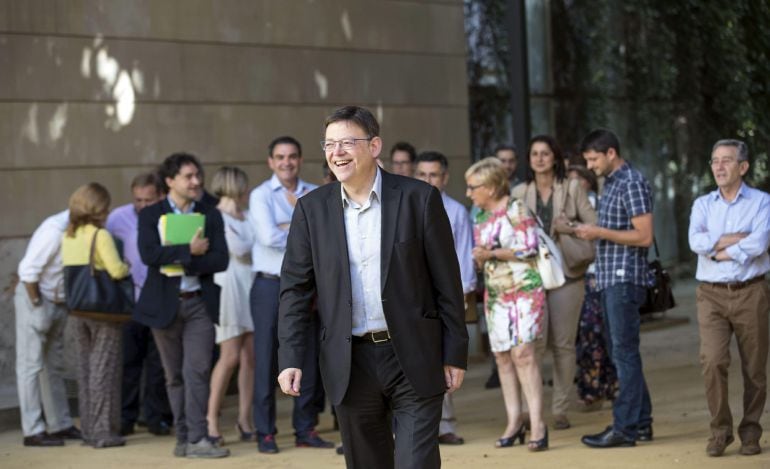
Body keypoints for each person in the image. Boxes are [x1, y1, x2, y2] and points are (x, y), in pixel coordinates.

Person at [277, 105, 468, 469]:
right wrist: (290, 357)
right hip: (350, 362)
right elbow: (295, 291)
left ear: (375, 145)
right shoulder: (311, 210)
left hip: (413, 353)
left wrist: (454, 351)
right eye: (330, 144)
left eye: (348, 142)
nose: (337, 152)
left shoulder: (418, 199)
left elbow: (447, 281)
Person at [135, 153, 230, 459]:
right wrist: (187, 251)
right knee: (173, 375)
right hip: (164, 305)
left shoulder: (210, 213)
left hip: (199, 304)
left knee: (198, 371)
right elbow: (148, 255)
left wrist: (184, 260)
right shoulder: (152, 215)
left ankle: (199, 437)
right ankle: (184, 437)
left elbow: (221, 259)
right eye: (188, 176)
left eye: (197, 175)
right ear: (170, 181)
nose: (196, 181)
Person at [248, 136, 331, 453]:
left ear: (300, 159)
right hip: (269, 286)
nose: (287, 162)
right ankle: (265, 432)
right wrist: (302, 225)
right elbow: (268, 237)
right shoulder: (260, 196)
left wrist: (291, 225)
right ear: (270, 161)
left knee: (308, 357)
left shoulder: (314, 192)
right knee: (267, 358)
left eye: (292, 156)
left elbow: (326, 238)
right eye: (280, 157)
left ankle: (305, 428)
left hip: (307, 288)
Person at [688, 139, 770, 457]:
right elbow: (696, 241)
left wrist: (720, 252)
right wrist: (730, 241)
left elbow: (760, 242)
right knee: (712, 361)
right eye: (714, 161)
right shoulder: (703, 205)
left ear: (743, 167)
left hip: (752, 291)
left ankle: (750, 431)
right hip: (711, 295)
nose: (719, 167)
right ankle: (720, 431)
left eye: (726, 160)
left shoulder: (762, 202)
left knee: (755, 367)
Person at [574, 129, 654, 448]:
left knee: (624, 354)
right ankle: (641, 422)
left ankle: (625, 428)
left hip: (624, 279)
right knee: (623, 353)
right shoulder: (614, 182)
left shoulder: (631, 181)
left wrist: (598, 232)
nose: (590, 166)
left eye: (593, 159)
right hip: (610, 280)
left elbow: (644, 235)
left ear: (610, 153)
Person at [511, 135, 597, 430]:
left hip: (568, 275)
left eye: (545, 153)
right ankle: (529, 411)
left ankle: (560, 408)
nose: (539, 158)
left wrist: (568, 227)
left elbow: (594, 225)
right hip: (532, 277)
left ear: (555, 158)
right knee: (532, 345)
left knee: (562, 344)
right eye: (534, 153)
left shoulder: (572, 188)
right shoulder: (520, 192)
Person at [466, 157, 548, 452]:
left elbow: (530, 247)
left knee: (524, 355)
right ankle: (514, 420)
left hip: (525, 289)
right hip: (496, 293)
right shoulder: (479, 215)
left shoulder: (516, 208)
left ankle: (537, 423)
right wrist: (480, 257)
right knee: (501, 357)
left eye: (473, 187)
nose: (468, 192)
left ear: (489, 187)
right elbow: (482, 252)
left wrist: (492, 253)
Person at [414, 151, 477, 445]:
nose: (428, 180)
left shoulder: (456, 212)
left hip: (444, 298)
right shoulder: (405, 206)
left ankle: (445, 424)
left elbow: (464, 257)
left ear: (445, 177)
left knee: (443, 360)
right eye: (423, 174)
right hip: (411, 298)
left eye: (434, 174)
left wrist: (461, 298)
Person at [61, 183, 130, 448]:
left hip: (78, 310)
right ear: (97, 207)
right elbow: (116, 271)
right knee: (105, 370)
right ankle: (104, 432)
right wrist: (128, 266)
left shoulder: (69, 235)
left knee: (86, 369)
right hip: (104, 311)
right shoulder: (99, 235)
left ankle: (88, 429)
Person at [106, 172, 172, 437]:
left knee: (158, 366)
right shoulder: (117, 218)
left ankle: (155, 418)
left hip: (159, 299)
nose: (142, 205)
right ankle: (126, 417)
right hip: (131, 300)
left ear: (160, 196)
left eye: (148, 199)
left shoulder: (169, 217)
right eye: (138, 200)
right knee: (129, 364)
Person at [15, 209, 82, 447]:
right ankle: (32, 430)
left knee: (53, 366)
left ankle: (60, 425)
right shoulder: (54, 230)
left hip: (57, 302)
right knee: (30, 366)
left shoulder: (81, 230)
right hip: (36, 299)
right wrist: (36, 305)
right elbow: (27, 272)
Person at [206, 166, 257, 443]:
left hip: (250, 282)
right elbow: (239, 249)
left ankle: (244, 420)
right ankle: (211, 420)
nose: (248, 191)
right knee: (230, 357)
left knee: (252, 358)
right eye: (244, 186)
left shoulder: (247, 216)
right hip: (228, 286)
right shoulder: (216, 217)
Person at [568, 165, 618, 410]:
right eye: (570, 181)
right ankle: (591, 389)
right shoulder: (566, 207)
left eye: (579, 180)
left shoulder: (596, 205)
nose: (575, 185)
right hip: (578, 277)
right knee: (586, 337)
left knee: (603, 335)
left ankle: (610, 386)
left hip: (599, 276)